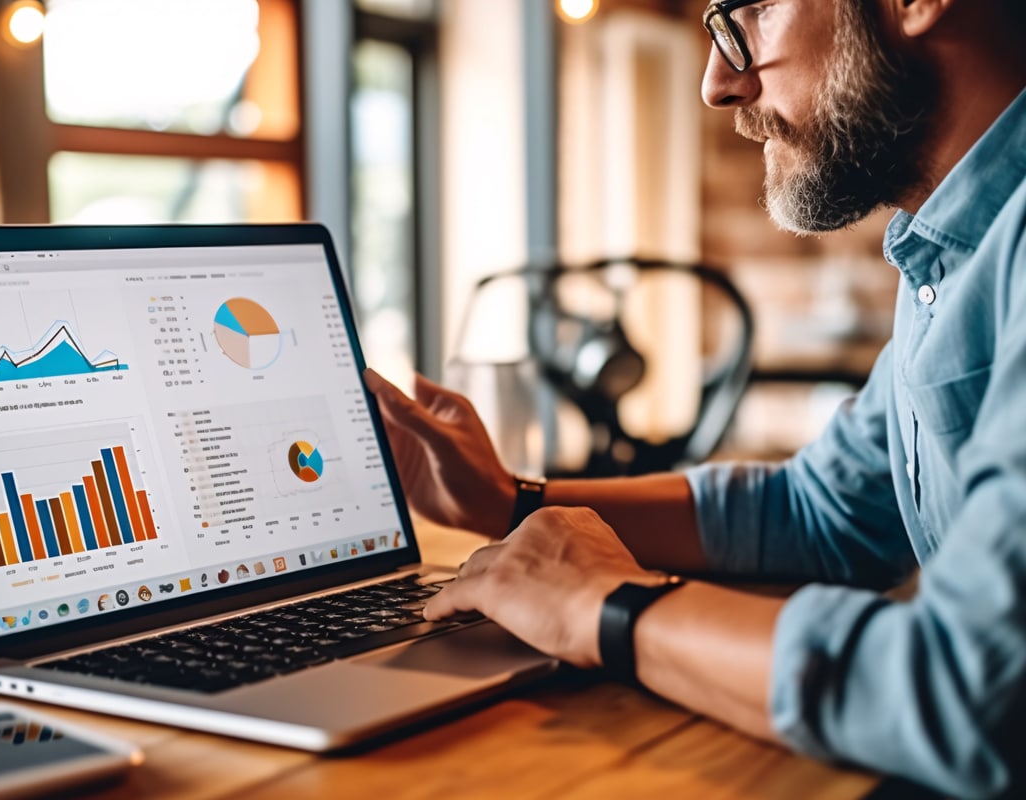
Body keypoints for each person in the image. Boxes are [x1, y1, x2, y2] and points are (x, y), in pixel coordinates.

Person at [363, 0, 1026, 797]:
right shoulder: (950, 255)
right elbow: (823, 509)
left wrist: (606, 606)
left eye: (754, 11)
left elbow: (967, 691)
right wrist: (509, 502)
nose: (718, 80)